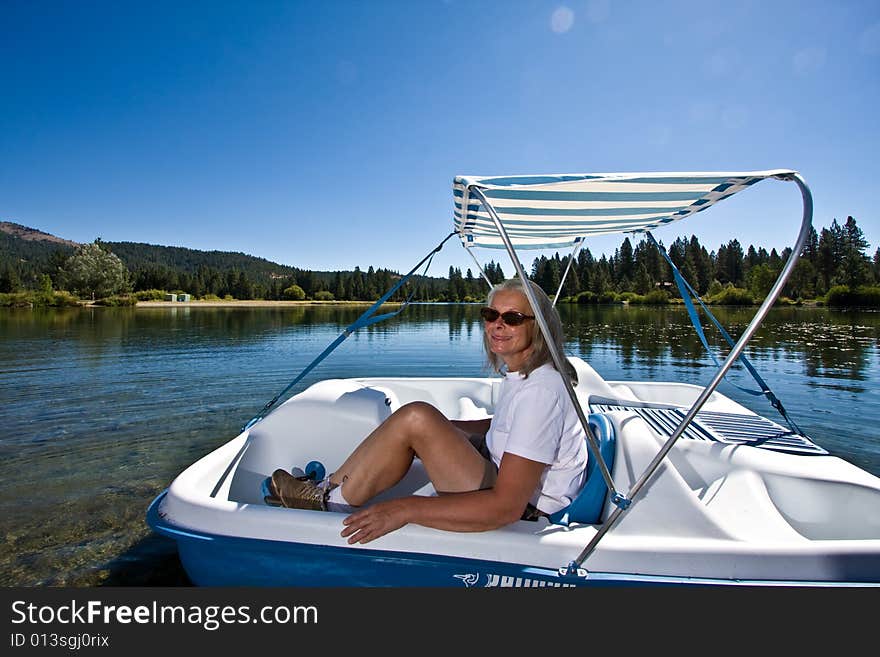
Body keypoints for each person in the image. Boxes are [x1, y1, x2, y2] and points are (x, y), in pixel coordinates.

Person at [265, 277, 589, 544]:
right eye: (491, 315)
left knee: (417, 416)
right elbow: (508, 426)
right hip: (500, 470)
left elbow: (506, 507)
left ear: (539, 326)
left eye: (513, 318)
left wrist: (405, 509)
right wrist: (443, 431)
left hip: (527, 511)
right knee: (418, 420)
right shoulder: (526, 373)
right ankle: (328, 489)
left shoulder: (541, 391)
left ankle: (329, 503)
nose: (497, 325)